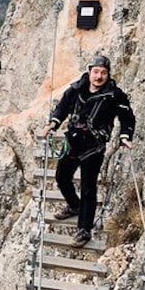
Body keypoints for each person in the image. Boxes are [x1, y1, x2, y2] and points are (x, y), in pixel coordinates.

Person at [42, 55, 135, 246]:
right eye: (96, 72)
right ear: (90, 71)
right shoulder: (76, 90)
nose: (99, 76)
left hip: (94, 146)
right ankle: (74, 205)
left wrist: (125, 135)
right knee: (61, 177)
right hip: (73, 142)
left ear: (108, 75)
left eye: (103, 73)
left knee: (88, 188)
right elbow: (62, 108)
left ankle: (84, 230)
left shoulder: (114, 95)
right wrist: (53, 123)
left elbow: (127, 117)